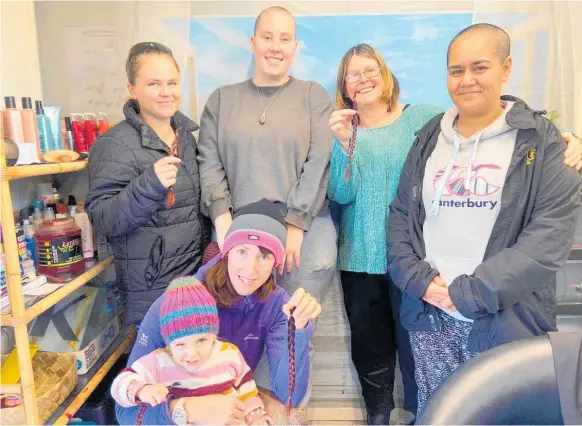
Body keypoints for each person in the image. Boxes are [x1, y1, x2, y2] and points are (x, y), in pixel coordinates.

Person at [328, 42, 582, 425]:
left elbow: (494, 119)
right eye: (353, 73)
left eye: (370, 70)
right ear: (345, 86)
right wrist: (345, 146)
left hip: (414, 269)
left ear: (385, 75)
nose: (362, 79)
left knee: (420, 360)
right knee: (373, 353)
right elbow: (342, 195)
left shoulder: (424, 119)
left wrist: (565, 137)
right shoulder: (341, 130)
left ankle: (420, 414)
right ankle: (379, 418)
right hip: (364, 261)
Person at [115, 199, 322, 425]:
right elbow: (125, 415)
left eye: (264, 256)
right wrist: (184, 409)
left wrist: (299, 329)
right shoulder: (178, 304)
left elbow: (289, 396)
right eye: (242, 251)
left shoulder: (277, 304)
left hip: (234, 401)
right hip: (176, 412)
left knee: (294, 419)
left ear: (275, 263)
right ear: (227, 251)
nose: (250, 269)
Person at [86, 42, 210, 325]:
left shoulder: (187, 138)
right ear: (132, 89)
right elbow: (103, 219)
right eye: (154, 83)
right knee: (159, 366)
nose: (166, 92)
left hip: (193, 280)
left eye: (172, 82)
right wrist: (149, 186)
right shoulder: (114, 144)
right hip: (152, 291)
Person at [111, 277, 270, 425]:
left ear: (214, 334)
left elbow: (247, 390)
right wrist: (142, 390)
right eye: (180, 345)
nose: (192, 353)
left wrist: (255, 414)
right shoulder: (159, 362)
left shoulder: (230, 354)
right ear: (168, 342)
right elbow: (120, 384)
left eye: (201, 340)